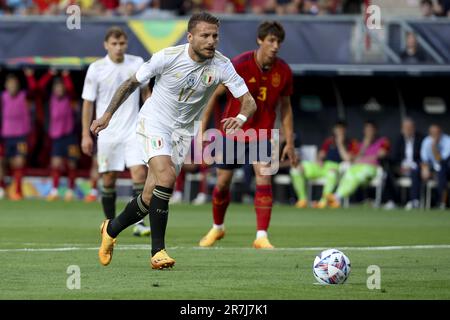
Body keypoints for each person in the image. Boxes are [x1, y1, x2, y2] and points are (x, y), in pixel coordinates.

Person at [91, 12, 256, 269]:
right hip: (154, 122)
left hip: (182, 132)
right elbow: (131, 83)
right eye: (205, 35)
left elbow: (249, 101)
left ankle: (110, 229)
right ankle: (158, 252)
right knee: (167, 179)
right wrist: (107, 115)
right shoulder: (168, 57)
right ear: (190, 37)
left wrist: (242, 118)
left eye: (215, 36)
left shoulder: (222, 65)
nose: (211, 41)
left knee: (148, 198)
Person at [198, 20, 297, 249]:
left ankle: (261, 236)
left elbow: (286, 108)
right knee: (222, 183)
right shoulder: (240, 64)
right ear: (260, 40)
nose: (275, 46)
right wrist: (201, 129)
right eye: (271, 40)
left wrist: (289, 141)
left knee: (264, 178)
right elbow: (214, 94)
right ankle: (217, 228)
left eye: (279, 42)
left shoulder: (283, 71)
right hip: (233, 132)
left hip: (263, 133)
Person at [81, 26, 151, 237]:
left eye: (122, 44)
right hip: (108, 132)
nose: (118, 48)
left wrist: (150, 120)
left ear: (126, 44)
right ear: (106, 45)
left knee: (139, 173)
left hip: (133, 130)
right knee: (109, 179)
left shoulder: (137, 63)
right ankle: (109, 224)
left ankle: (140, 223)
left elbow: (146, 93)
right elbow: (88, 103)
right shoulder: (96, 68)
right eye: (114, 44)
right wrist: (85, 134)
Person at [29, 70, 80, 201]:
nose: (59, 90)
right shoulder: (49, 99)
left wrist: (66, 76)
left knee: (72, 163)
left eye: (61, 87)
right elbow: (38, 87)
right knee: (56, 163)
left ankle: (70, 191)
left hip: (70, 136)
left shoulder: (70, 98)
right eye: (57, 87)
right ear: (53, 89)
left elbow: (71, 89)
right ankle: (55, 190)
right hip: (56, 138)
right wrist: (50, 74)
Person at [290, 120, 358, 209]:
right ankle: (302, 199)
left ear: (345, 130)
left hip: (337, 168)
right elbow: (321, 154)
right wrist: (319, 160)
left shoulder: (351, 142)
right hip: (323, 166)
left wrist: (340, 143)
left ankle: (323, 202)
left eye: (341, 129)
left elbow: (347, 159)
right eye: (337, 129)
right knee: (296, 168)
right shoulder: (329, 141)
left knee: (332, 173)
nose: (339, 131)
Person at [327, 121, 390, 208]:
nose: (369, 132)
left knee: (357, 176)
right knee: (349, 174)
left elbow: (381, 155)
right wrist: (364, 147)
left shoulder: (383, 141)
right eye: (367, 130)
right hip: (357, 168)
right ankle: (336, 198)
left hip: (372, 168)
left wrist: (361, 160)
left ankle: (336, 197)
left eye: (371, 130)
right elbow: (352, 158)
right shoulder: (358, 144)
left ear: (375, 130)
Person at [1, 74, 31, 201]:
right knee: (1, 162)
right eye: (10, 83)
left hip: (21, 136)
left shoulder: (24, 96)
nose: (12, 86)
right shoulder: (2, 97)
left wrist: (29, 76)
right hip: (5, 136)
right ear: (6, 85)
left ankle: (18, 191)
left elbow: (35, 88)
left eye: (14, 84)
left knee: (19, 162)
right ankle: (2, 189)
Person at [383, 118, 424, 210]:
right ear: (402, 129)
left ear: (414, 128)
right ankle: (391, 201)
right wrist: (399, 168)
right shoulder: (398, 139)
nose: (408, 130)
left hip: (415, 167)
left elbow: (423, 157)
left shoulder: (420, 139)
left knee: (416, 171)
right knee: (388, 172)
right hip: (401, 168)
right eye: (406, 128)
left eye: (410, 128)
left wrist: (412, 166)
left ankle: (414, 201)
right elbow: (394, 157)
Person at [420, 124, 450, 209]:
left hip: (446, 168)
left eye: (436, 133)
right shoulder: (426, 141)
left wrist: (434, 147)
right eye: (432, 133)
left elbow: (441, 160)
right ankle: (417, 201)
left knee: (441, 171)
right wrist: (425, 169)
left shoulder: (448, 141)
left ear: (441, 132)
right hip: (432, 168)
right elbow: (424, 159)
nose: (434, 135)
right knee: (417, 171)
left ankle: (442, 202)